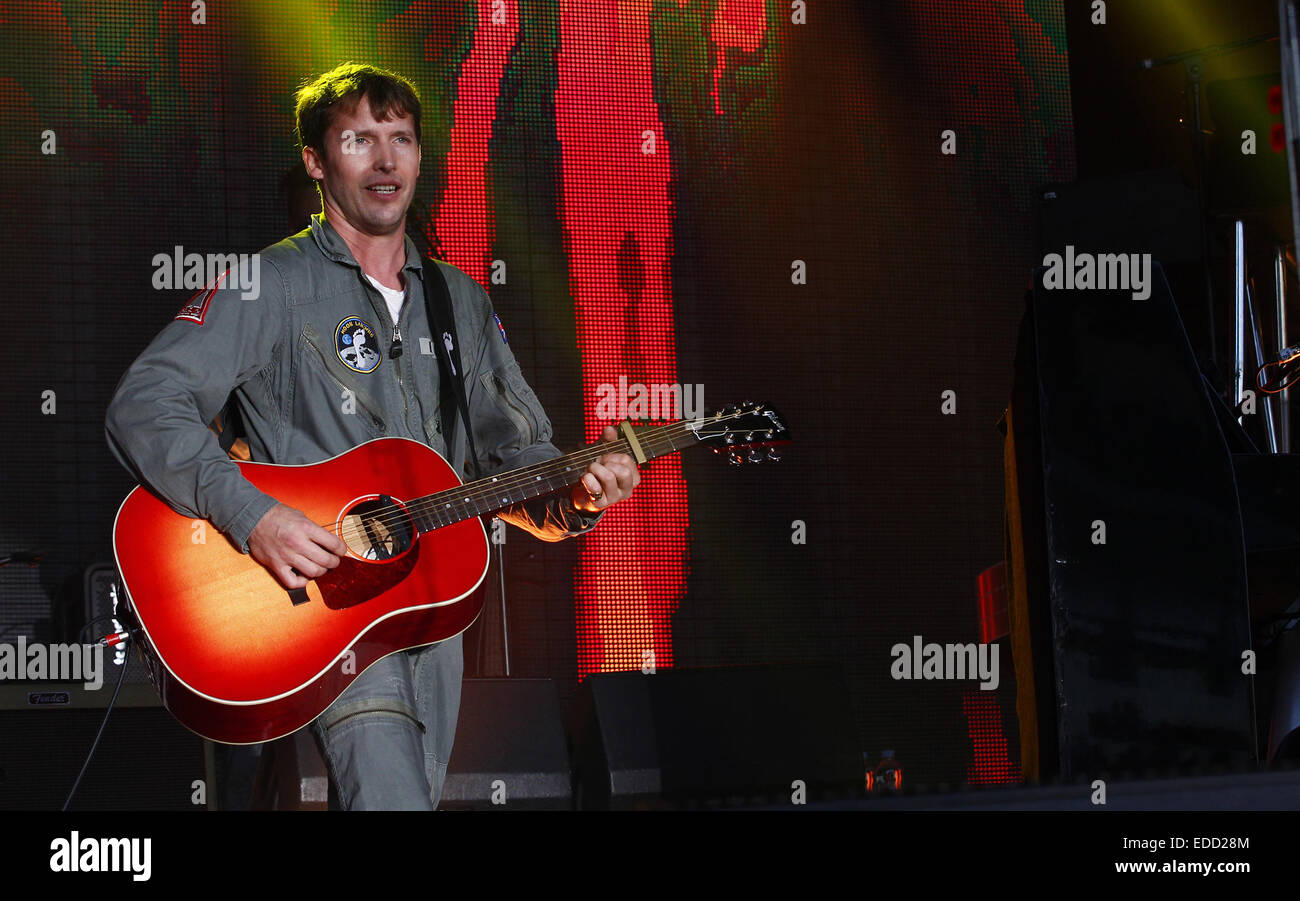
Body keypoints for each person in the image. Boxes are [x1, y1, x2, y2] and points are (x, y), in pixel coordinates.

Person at [105, 62, 640, 809]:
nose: (386, 161)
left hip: (433, 618)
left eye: (401, 139)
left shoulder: (461, 302)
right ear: (318, 162)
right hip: (326, 610)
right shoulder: (273, 284)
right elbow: (144, 401)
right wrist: (252, 514)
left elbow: (517, 467)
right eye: (360, 139)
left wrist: (580, 493)